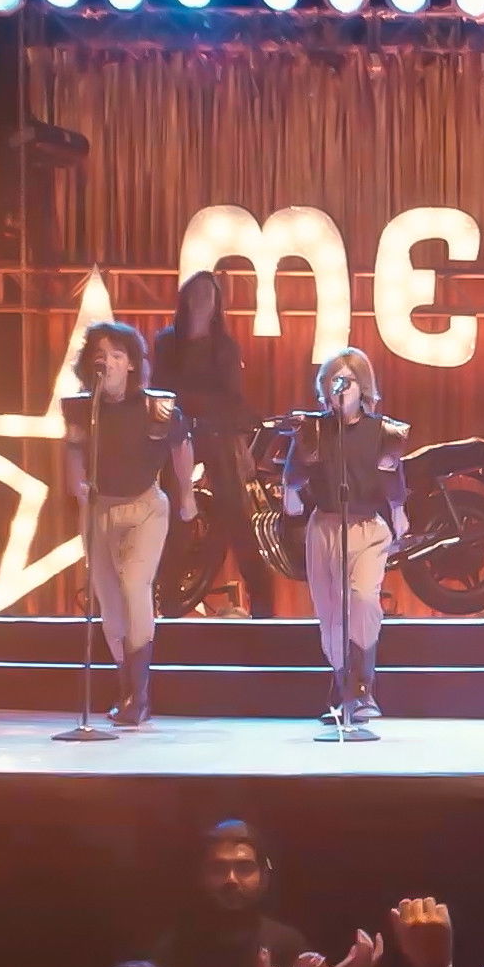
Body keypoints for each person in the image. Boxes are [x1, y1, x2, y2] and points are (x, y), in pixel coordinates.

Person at [62, 321, 198, 727]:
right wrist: (77, 485)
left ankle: (139, 695)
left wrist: (187, 495)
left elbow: (181, 447)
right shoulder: (82, 410)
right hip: (99, 509)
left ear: (132, 364)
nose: (108, 363)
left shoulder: (157, 408)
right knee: (109, 601)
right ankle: (126, 688)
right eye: (100, 355)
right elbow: (73, 450)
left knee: (134, 585)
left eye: (117, 355)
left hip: (145, 508)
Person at [281, 347, 408, 725]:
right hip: (325, 528)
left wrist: (399, 511)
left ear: (362, 386)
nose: (340, 389)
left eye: (347, 381)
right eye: (333, 381)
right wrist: (290, 493)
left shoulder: (383, 432)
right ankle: (344, 690)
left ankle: (364, 688)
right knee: (332, 615)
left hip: (367, 528)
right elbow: (294, 472)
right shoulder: (314, 430)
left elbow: (393, 478)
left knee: (363, 599)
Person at [152, 270, 274, 618]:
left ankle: (263, 609)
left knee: (237, 515)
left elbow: (231, 397)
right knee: (174, 517)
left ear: (216, 304)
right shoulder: (167, 343)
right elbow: (162, 391)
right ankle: (168, 604)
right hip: (177, 438)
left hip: (217, 436)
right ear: (186, 300)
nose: (202, 302)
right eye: (197, 294)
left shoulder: (224, 346)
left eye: (209, 296)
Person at [151, 820, 309, 967]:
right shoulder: (173, 948)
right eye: (219, 868)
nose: (231, 879)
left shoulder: (287, 944)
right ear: (202, 876)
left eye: (244, 868)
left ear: (264, 877)